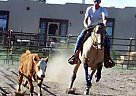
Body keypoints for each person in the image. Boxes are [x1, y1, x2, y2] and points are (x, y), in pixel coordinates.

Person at [68, 0, 115, 68]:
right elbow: (85, 19)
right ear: (93, 1)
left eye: (98, 1)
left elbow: (104, 17)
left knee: (107, 40)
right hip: (90, 28)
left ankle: (108, 59)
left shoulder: (103, 9)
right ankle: (75, 56)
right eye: (95, 1)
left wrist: (104, 23)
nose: (96, 2)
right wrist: (86, 26)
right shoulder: (89, 9)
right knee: (80, 38)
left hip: (99, 28)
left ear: (100, 2)